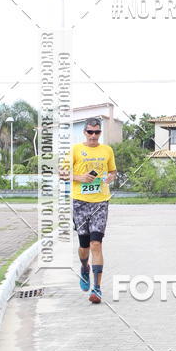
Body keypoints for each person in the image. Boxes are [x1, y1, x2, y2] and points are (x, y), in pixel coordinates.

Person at [70, 118, 117, 304]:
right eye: (90, 132)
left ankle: (96, 289)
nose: (93, 136)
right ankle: (84, 267)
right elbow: (62, 173)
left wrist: (110, 178)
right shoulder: (75, 150)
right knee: (84, 246)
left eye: (97, 133)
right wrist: (80, 177)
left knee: (96, 243)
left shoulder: (107, 150)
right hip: (80, 202)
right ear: (84, 132)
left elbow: (113, 171)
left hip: (101, 202)